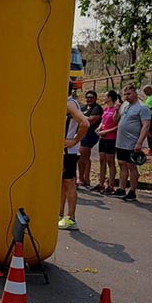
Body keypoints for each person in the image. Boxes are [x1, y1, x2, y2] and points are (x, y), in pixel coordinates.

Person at [59, 84, 90, 230]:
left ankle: (71, 218)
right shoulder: (64, 102)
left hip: (68, 153)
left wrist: (75, 140)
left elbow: (85, 123)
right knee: (62, 184)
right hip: (63, 152)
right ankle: (59, 215)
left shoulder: (69, 104)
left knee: (69, 183)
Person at [113, 83, 151, 201]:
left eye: (129, 94)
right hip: (120, 141)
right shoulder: (124, 105)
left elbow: (146, 125)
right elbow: (116, 120)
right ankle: (121, 188)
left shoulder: (142, 107)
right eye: (125, 94)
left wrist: (139, 142)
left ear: (135, 93)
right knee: (121, 164)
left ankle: (132, 191)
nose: (126, 97)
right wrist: (116, 110)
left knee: (131, 166)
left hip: (132, 141)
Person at [95, 90, 120, 194]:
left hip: (111, 138)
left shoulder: (115, 109)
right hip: (103, 137)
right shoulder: (106, 109)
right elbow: (103, 121)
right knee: (102, 160)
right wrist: (99, 128)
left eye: (105, 96)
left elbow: (115, 123)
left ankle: (111, 185)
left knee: (110, 161)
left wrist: (105, 131)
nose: (104, 98)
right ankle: (101, 183)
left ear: (110, 97)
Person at [78, 90, 103, 188]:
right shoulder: (84, 107)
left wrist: (80, 116)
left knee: (83, 156)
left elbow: (92, 121)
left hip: (90, 135)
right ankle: (83, 178)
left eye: (91, 97)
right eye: (87, 97)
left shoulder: (97, 108)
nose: (89, 99)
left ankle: (84, 178)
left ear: (95, 98)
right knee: (83, 157)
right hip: (81, 133)